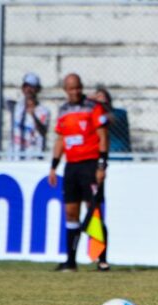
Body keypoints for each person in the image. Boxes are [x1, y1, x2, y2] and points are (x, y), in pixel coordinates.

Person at [47, 73, 110, 272]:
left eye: (77, 88)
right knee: (70, 212)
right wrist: (53, 167)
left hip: (90, 165)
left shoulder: (93, 107)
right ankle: (70, 260)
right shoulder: (64, 111)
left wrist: (102, 165)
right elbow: (60, 140)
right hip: (71, 166)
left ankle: (101, 259)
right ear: (65, 90)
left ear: (81, 87)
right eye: (71, 88)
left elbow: (103, 136)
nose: (75, 92)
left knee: (93, 211)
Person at [7, 73, 50, 159]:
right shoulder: (16, 107)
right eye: (26, 86)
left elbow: (43, 132)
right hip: (15, 157)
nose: (28, 90)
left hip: (33, 158)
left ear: (38, 89)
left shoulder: (43, 111)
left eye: (32, 87)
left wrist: (33, 115)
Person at [90, 86, 132, 155]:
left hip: (120, 151)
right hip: (101, 151)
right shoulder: (94, 115)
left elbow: (109, 118)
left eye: (102, 97)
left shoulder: (120, 113)